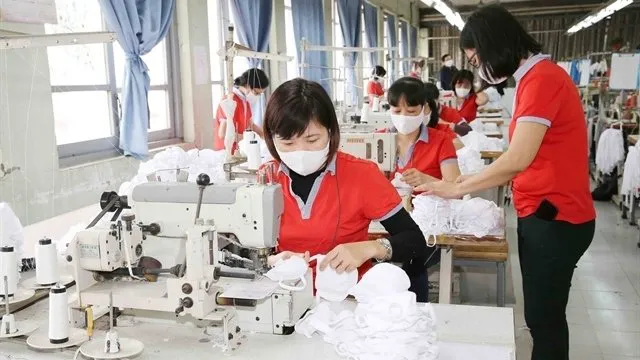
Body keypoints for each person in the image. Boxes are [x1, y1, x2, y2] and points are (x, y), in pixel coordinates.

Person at [416, 5, 595, 360]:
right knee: (544, 318)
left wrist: (456, 187)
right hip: (547, 213)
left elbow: (517, 159)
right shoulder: (535, 77)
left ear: (495, 44)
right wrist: (470, 178)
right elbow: (526, 154)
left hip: (555, 218)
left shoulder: (541, 79)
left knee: (544, 321)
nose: (479, 66)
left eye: (477, 56)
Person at [262, 78, 431, 301]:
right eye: (287, 143)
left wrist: (370, 248)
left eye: (312, 139)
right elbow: (241, 251)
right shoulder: (266, 178)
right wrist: (271, 261)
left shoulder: (362, 175)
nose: (301, 151)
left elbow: (415, 241)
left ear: (331, 132)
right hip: (284, 297)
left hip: (348, 300)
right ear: (271, 139)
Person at [386, 77, 461, 190]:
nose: (403, 116)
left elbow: (457, 190)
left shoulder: (441, 141)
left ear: (425, 109)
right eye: (397, 111)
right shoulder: (376, 140)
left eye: (411, 111)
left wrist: (427, 181)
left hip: (429, 207)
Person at [213, 68, 268, 152]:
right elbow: (223, 134)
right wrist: (248, 137)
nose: (257, 96)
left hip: (240, 150)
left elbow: (251, 125)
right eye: (256, 93)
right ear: (247, 85)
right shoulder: (229, 101)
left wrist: (267, 138)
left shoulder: (245, 101)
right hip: (227, 151)